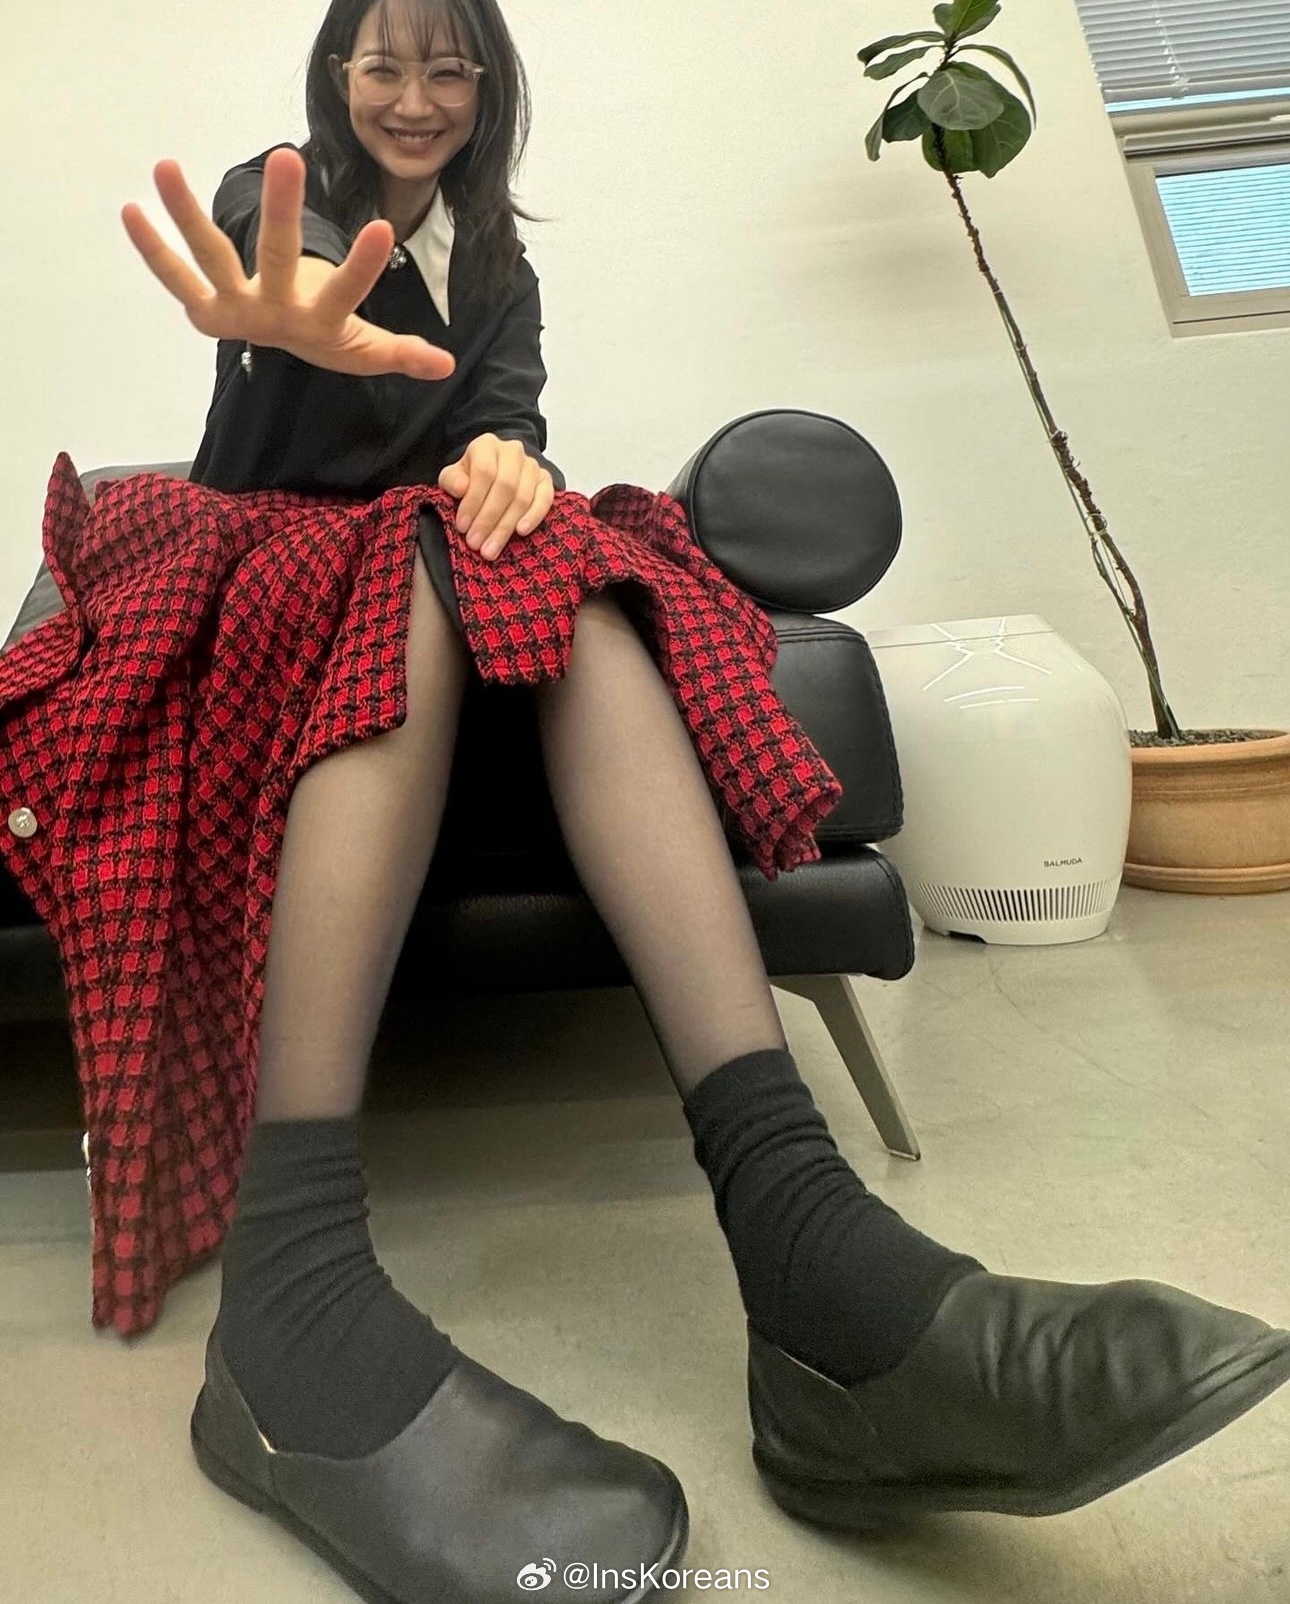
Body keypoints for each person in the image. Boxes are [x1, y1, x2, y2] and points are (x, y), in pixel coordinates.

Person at [117, 1, 1290, 1600]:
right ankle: (289, 1280)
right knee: (408, 554)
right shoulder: (287, 211)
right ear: (337, 76)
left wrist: (508, 464)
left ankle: (811, 1266)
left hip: (440, 576)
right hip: (279, 576)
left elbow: (504, 420)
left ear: (486, 85)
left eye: (449, 65)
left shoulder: (495, 258)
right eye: (383, 62)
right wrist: (286, 353)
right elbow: (259, 403)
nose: (415, 94)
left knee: (575, 567)